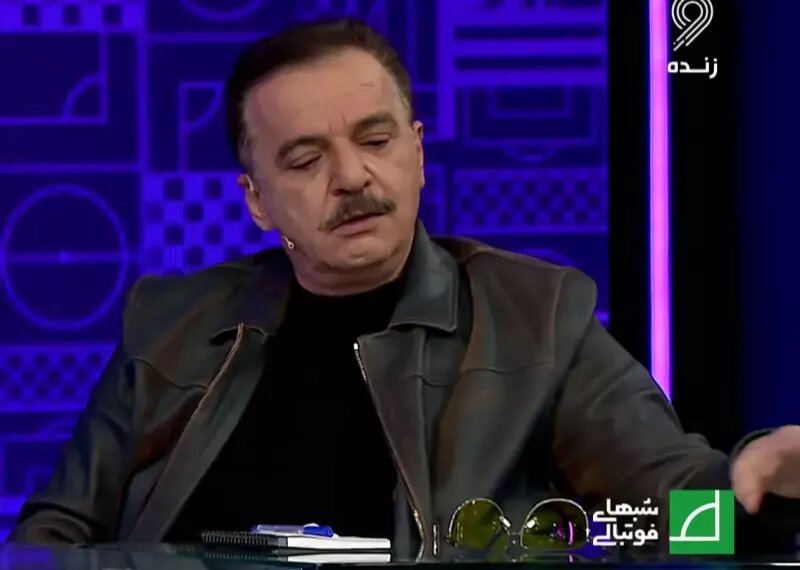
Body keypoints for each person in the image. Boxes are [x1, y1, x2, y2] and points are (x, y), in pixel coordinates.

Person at [8, 17, 800, 557]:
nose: (353, 177)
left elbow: (663, 513)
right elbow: (50, 540)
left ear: (417, 153)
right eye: (305, 159)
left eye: (376, 140)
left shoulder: (536, 317)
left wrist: (754, 493)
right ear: (257, 201)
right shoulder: (172, 322)